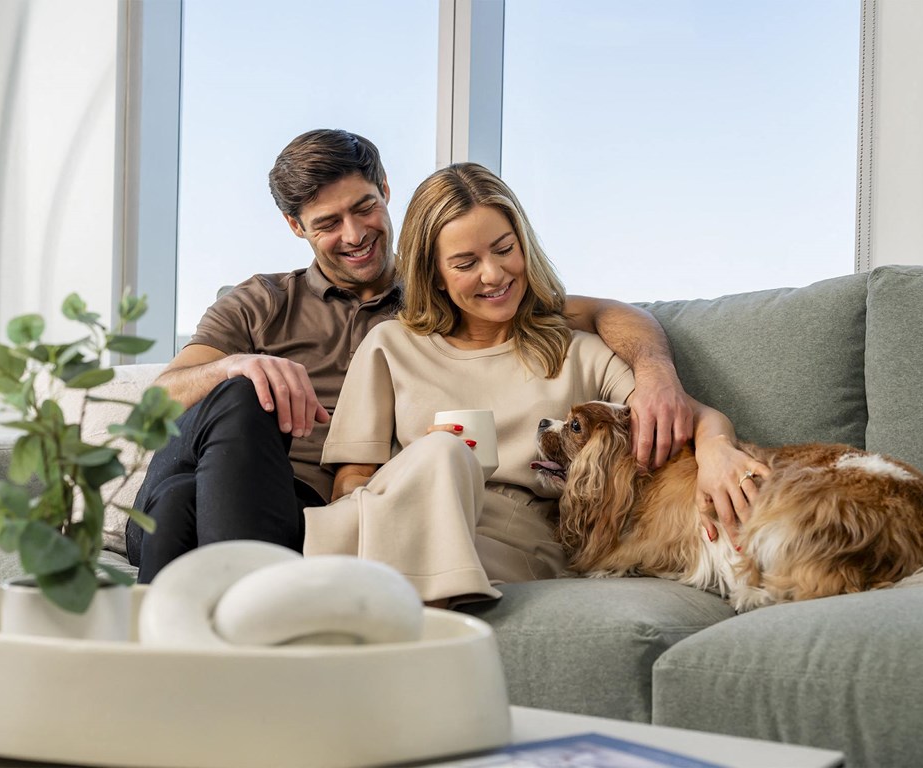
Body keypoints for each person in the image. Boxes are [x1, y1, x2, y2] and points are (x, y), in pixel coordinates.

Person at [125, 129, 699, 583]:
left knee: (179, 509)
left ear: (386, 191)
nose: (354, 234)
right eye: (328, 223)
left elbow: (585, 312)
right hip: (222, 466)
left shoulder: (445, 292)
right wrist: (238, 364)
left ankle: (174, 670)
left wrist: (655, 371)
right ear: (295, 226)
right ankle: (252, 617)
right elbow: (155, 402)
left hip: (302, 507)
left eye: (365, 207)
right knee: (223, 421)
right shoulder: (261, 301)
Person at [310, 162, 770, 606]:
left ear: (524, 244)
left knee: (443, 457)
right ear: (434, 274)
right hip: (398, 519)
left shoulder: (577, 352)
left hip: (511, 544)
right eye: (466, 262)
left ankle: (376, 619)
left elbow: (685, 413)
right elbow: (353, 484)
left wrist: (716, 450)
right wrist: (424, 472)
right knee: (440, 455)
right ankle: (395, 616)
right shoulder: (389, 346)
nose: (493, 274)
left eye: (504, 249)